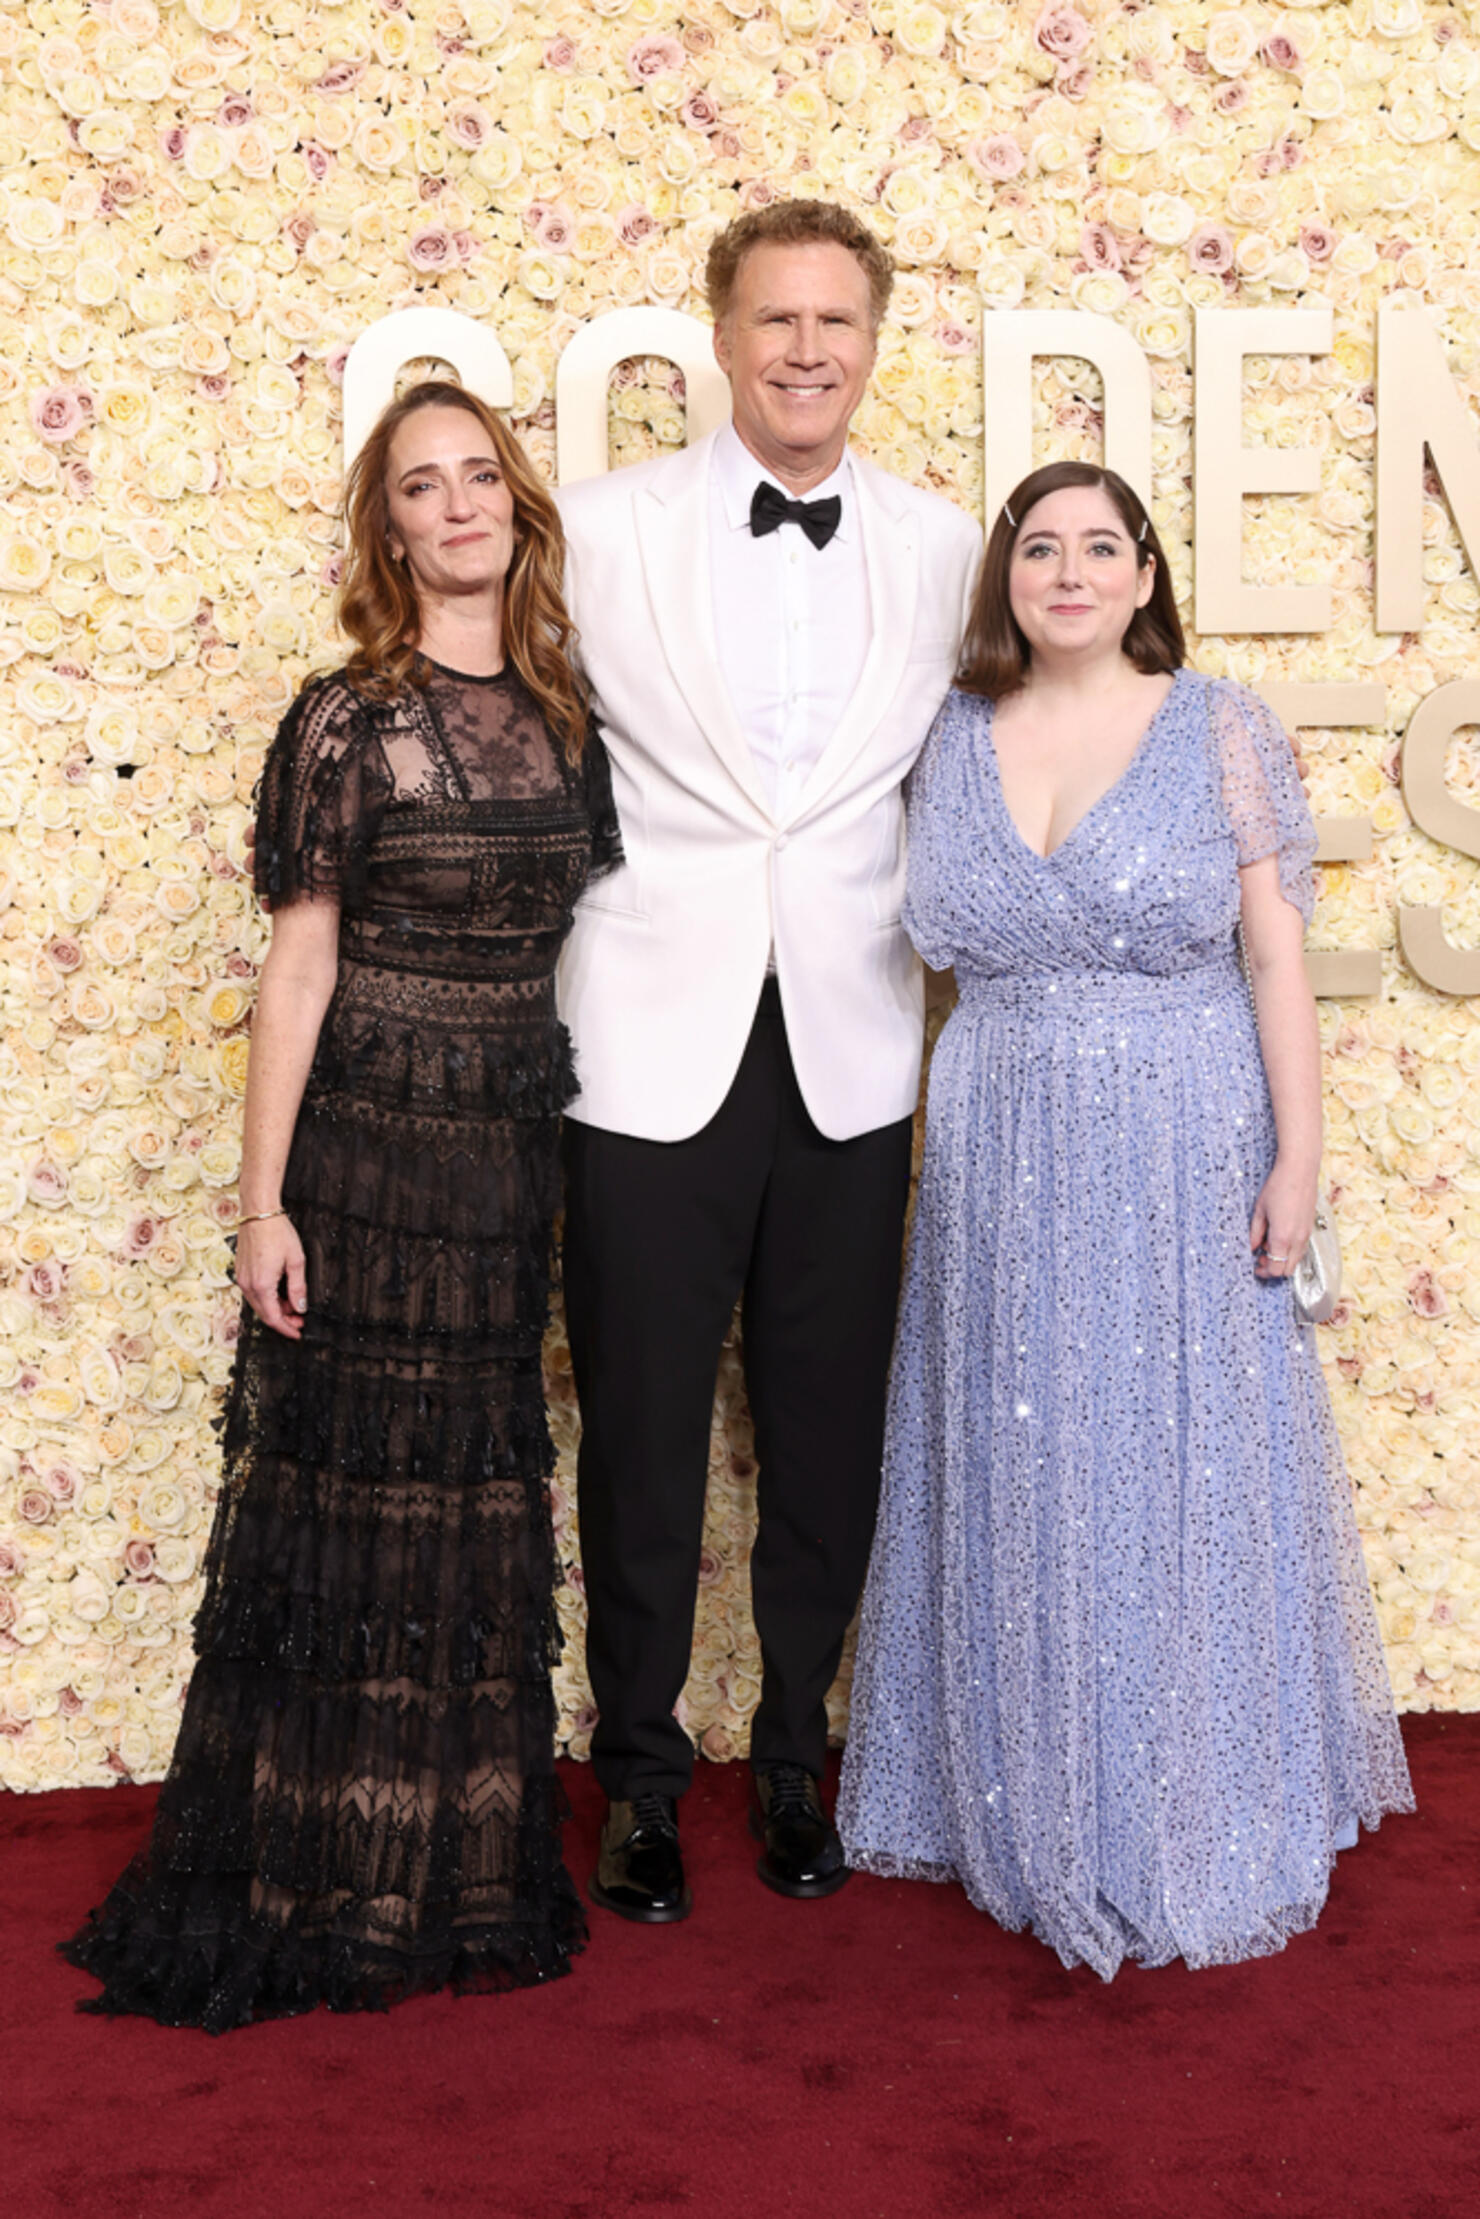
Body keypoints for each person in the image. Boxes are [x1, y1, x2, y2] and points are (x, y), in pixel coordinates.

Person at [62, 381, 619, 2029]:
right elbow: (298, 965)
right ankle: (314, 1870)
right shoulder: (343, 717)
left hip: (506, 1157)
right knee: (351, 1508)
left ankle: (448, 1866)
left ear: (515, 505)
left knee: (465, 1504)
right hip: (369, 1155)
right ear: (389, 530)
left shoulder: (566, 708)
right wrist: (261, 1208)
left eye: (477, 481)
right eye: (420, 490)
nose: (456, 509)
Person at [837, 461, 1414, 1976]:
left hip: (1183, 1134)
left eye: (1103, 546)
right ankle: (1032, 1791)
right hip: (999, 1146)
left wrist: (1300, 1158)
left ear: (1148, 577)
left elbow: (1277, 962)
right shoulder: (946, 737)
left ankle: (1184, 1797)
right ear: (1007, 580)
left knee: (1176, 1453)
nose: (1071, 572)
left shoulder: (1222, 728)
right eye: (1041, 548)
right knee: (1025, 1449)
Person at [554, 201, 982, 1918]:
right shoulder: (591, 532)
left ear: (875, 343)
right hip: (644, 1041)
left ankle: (800, 1762)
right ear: (718, 339)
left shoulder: (955, 549)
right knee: (644, 1434)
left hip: (856, 1049)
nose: (807, 350)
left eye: (837, 323)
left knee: (827, 1436)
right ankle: (641, 1778)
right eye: (774, 319)